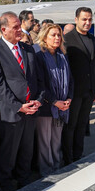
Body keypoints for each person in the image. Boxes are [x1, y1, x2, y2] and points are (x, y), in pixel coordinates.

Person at [0, 12, 43, 191]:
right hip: (11, 113)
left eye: (20, 26)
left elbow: (35, 79)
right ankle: (6, 184)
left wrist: (37, 100)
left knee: (27, 149)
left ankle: (24, 179)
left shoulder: (28, 50)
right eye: (15, 27)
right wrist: (18, 106)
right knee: (8, 152)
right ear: (3, 29)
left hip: (31, 110)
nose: (20, 30)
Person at [33, 23, 72, 177]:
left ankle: (56, 167)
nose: (57, 38)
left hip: (62, 106)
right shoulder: (39, 56)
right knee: (44, 143)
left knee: (56, 140)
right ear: (44, 37)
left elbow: (71, 79)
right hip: (46, 106)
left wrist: (69, 98)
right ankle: (46, 172)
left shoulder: (62, 55)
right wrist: (55, 101)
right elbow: (40, 83)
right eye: (53, 35)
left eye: (58, 35)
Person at [61, 7, 95, 165]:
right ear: (76, 20)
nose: (87, 22)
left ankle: (78, 154)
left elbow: (94, 65)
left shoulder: (92, 39)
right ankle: (67, 157)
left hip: (88, 91)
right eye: (84, 19)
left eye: (89, 19)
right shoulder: (67, 39)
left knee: (82, 124)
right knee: (71, 125)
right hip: (73, 91)